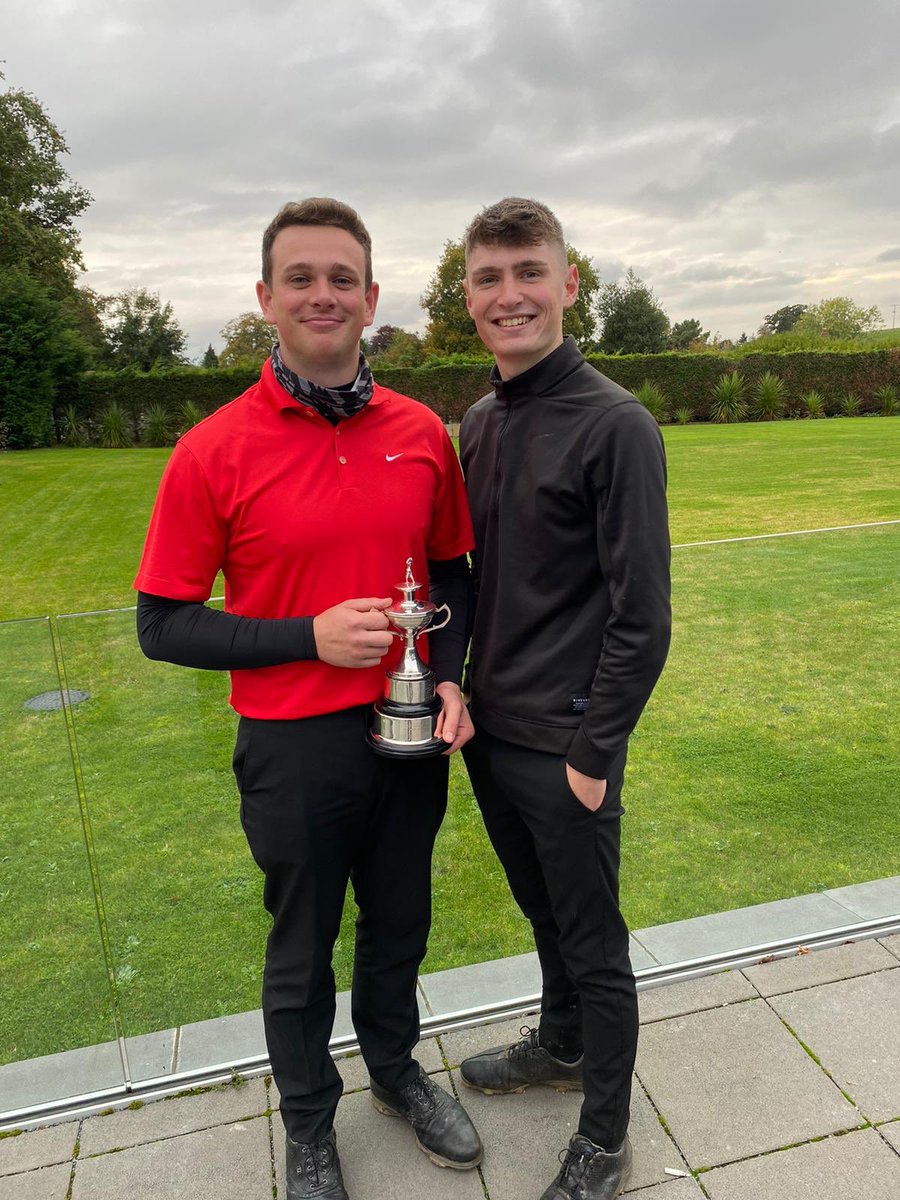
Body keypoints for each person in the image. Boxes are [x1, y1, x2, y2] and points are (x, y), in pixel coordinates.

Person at [134, 198, 482, 1200]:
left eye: (342, 278)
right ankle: (308, 1127)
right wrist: (307, 638)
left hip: (407, 733)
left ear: (370, 298)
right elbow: (162, 622)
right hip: (290, 746)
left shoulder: (421, 431)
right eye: (301, 277)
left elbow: (451, 574)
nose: (323, 294)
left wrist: (449, 672)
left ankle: (396, 1071)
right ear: (265, 300)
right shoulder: (212, 449)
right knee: (302, 944)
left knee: (401, 925)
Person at [457, 197, 671, 1200]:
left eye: (529, 272)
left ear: (568, 281)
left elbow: (644, 618)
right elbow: (479, 579)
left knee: (595, 944)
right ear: (469, 296)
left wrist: (593, 756)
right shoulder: (479, 420)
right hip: (491, 733)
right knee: (542, 916)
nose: (512, 295)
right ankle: (560, 1043)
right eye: (491, 278)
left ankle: (605, 1138)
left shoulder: (616, 424)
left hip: (568, 746)